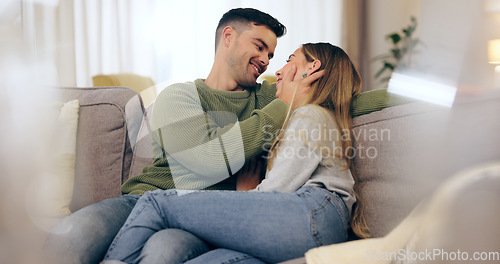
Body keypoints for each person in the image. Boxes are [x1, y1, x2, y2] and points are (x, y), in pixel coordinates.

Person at [44, 8, 321, 264]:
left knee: (163, 251)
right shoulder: (179, 96)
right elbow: (209, 160)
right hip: (143, 200)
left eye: (271, 55)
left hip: (200, 216)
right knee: (72, 235)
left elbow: (347, 98)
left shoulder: (268, 98)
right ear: (228, 37)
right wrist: (284, 105)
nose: (265, 60)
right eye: (259, 47)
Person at [102, 42, 369, 264]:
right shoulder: (305, 118)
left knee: (156, 202)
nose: (277, 70)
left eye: (289, 60)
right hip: (304, 223)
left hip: (313, 212)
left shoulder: (311, 115)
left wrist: (246, 196)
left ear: (312, 67)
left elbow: (278, 191)